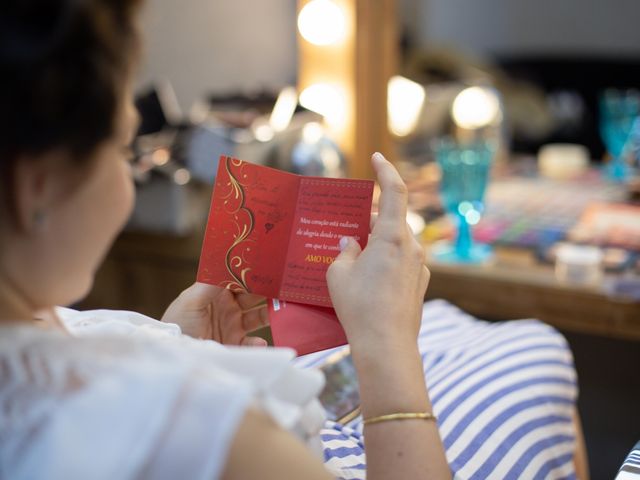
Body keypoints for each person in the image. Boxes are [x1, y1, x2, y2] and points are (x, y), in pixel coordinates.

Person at [0, 1, 585, 479]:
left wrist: (179, 341)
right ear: (40, 189)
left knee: (469, 332)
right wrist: (386, 345)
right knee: (535, 345)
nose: (130, 178)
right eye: (125, 148)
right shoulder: (185, 421)